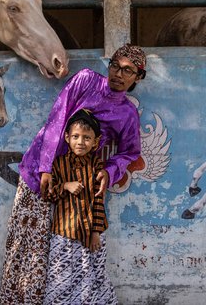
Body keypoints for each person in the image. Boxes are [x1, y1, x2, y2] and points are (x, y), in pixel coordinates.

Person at [0, 43, 147, 304]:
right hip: (40, 174)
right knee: (30, 246)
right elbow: (57, 119)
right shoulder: (86, 80)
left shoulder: (127, 114)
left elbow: (130, 152)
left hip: (79, 188)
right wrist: (45, 168)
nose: (119, 74)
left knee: (65, 251)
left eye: (128, 71)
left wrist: (110, 172)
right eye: (115, 65)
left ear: (138, 77)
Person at [43, 109, 117, 304]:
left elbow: (99, 201)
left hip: (89, 234)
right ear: (67, 137)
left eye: (86, 137)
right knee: (61, 276)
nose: (80, 142)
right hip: (63, 232)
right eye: (75, 136)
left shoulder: (96, 166)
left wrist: (95, 232)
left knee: (91, 274)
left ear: (96, 141)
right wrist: (65, 186)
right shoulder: (58, 164)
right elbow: (48, 194)